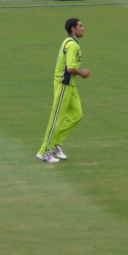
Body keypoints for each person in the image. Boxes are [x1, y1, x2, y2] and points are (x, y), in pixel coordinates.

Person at [36, 18, 90, 163]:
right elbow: (70, 68)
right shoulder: (72, 45)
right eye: (80, 26)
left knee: (77, 115)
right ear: (73, 29)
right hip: (64, 84)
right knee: (56, 119)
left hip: (71, 85)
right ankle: (44, 151)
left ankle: (55, 143)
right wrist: (82, 73)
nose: (83, 28)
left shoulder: (69, 42)